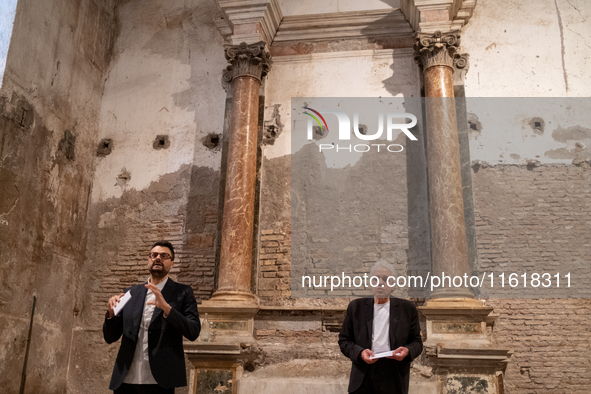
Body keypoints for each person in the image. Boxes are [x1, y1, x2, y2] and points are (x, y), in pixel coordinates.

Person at [103, 241, 201, 393]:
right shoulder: (130, 293)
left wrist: (166, 308)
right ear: (148, 260)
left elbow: (193, 331)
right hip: (126, 378)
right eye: (154, 255)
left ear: (172, 263)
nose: (158, 258)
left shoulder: (183, 292)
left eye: (164, 256)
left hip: (160, 380)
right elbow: (110, 337)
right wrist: (110, 314)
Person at [339, 261, 423, 394]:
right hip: (363, 374)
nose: (380, 282)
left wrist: (407, 351)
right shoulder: (356, 307)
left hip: (394, 375)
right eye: (375, 278)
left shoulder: (407, 309)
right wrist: (360, 353)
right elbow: (344, 341)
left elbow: (417, 342)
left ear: (393, 285)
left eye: (386, 279)